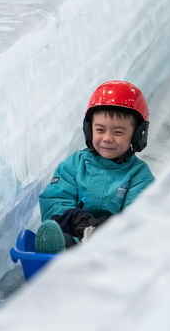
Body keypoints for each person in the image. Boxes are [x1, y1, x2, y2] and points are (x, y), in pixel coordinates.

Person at [34, 80, 155, 253]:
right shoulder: (75, 165)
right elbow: (54, 202)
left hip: (115, 246)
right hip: (76, 238)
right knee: (63, 224)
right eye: (100, 130)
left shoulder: (139, 176)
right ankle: (62, 248)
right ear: (89, 129)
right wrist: (79, 220)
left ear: (136, 135)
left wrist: (106, 228)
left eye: (118, 132)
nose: (107, 138)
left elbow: (139, 216)